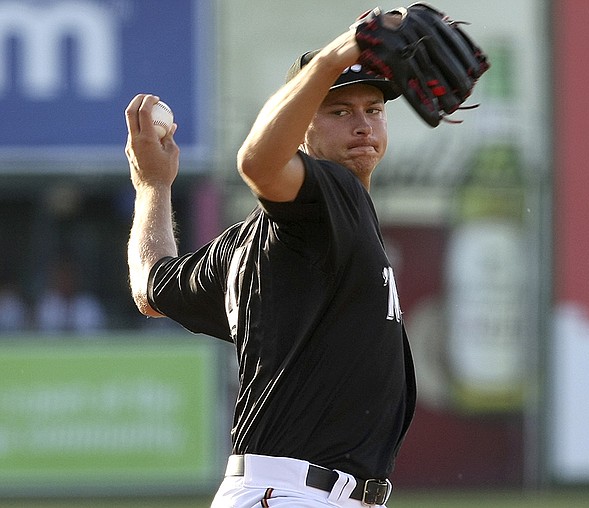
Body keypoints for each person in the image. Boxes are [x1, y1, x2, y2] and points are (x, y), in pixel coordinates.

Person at [125, 21, 416, 508]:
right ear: (298, 132)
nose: (363, 125)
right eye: (338, 110)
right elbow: (258, 164)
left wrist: (152, 188)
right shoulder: (333, 195)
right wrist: (329, 61)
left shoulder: (254, 243)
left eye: (374, 110)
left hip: (287, 492)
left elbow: (152, 288)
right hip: (295, 494)